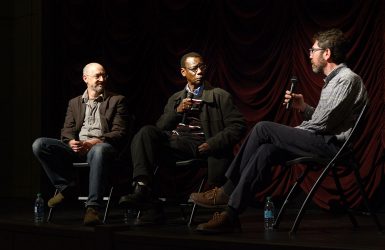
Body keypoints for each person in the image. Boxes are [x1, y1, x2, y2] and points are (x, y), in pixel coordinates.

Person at [189, 28, 368, 233]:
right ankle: (231, 214)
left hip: (332, 146)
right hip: (322, 139)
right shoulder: (334, 81)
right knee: (266, 150)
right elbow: (325, 119)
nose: (309, 55)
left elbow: (322, 125)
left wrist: (293, 131)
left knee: (263, 128)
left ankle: (226, 190)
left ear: (326, 53)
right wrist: (304, 108)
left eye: (313, 50)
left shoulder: (346, 79)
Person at [119, 52, 247, 224]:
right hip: (174, 144)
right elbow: (161, 127)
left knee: (150, 148)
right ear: (183, 72)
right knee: (145, 133)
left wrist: (212, 144)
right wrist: (176, 112)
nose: (200, 72)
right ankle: (143, 189)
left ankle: (148, 201)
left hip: (200, 145)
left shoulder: (219, 96)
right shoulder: (176, 98)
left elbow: (238, 126)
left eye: (202, 67)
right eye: (194, 69)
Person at [32, 62, 130, 226]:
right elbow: (67, 130)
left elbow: (119, 132)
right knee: (40, 145)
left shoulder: (117, 100)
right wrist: (71, 142)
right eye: (97, 76)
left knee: (98, 150)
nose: (101, 79)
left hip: (101, 146)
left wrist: (94, 142)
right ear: (85, 78)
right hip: (78, 147)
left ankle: (92, 208)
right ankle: (66, 187)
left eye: (103, 75)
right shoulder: (74, 103)